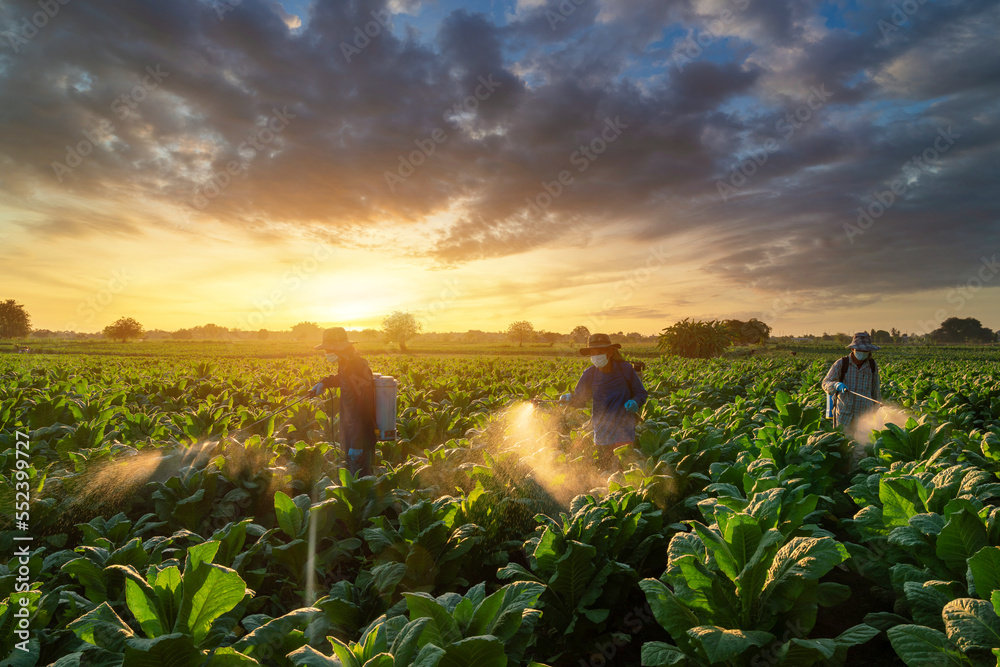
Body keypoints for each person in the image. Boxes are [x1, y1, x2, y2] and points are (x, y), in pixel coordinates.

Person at [560, 333, 648, 471]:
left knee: (622, 470)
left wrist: (635, 402)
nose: (596, 355)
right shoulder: (589, 374)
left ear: (610, 352)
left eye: (600, 352)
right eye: (593, 352)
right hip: (601, 433)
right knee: (605, 469)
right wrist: (569, 399)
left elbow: (641, 393)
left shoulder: (625, 369)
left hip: (623, 431)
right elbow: (580, 399)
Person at [306, 327, 378, 476]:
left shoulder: (359, 367)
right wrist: (324, 383)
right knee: (352, 476)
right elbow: (343, 380)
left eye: (328, 350)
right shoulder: (346, 364)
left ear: (339, 348)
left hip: (361, 435)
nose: (326, 354)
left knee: (361, 480)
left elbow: (364, 407)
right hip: (350, 429)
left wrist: (357, 443)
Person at [822, 331, 882, 431]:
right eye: (859, 349)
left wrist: (878, 410)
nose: (862, 352)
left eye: (865, 350)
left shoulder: (872, 365)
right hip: (844, 417)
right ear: (852, 349)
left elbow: (875, 389)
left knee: (863, 444)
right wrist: (836, 385)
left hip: (865, 418)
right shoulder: (842, 363)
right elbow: (825, 383)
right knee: (843, 444)